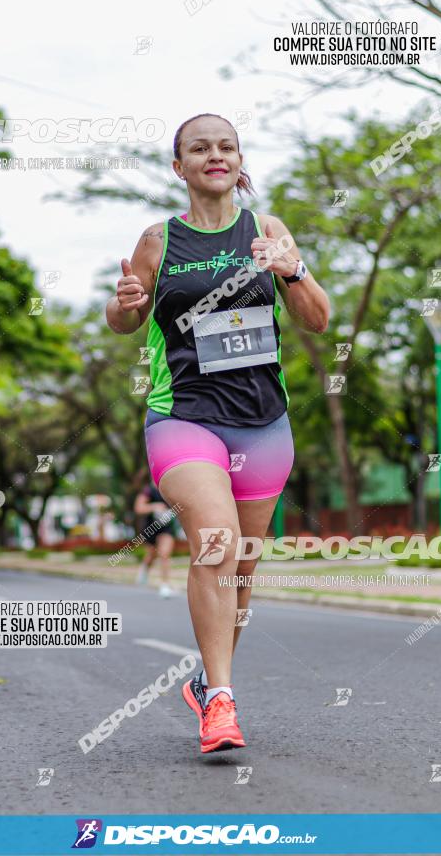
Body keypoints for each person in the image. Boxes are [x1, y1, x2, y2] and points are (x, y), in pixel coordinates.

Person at [106, 113, 329, 754]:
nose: (215, 155)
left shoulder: (267, 230)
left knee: (243, 568)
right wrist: (123, 304)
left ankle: (208, 681)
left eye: (226, 146)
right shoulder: (158, 239)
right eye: (199, 148)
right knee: (214, 544)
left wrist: (291, 270)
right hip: (183, 417)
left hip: (263, 422)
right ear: (179, 167)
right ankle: (224, 704)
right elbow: (125, 316)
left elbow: (316, 318)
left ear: (238, 159)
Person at [134, 482, 177, 598]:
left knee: (164, 554)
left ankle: (165, 585)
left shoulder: (172, 488)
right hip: (151, 527)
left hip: (167, 527)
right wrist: (154, 506)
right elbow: (139, 508)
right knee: (152, 555)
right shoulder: (149, 490)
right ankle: (145, 569)